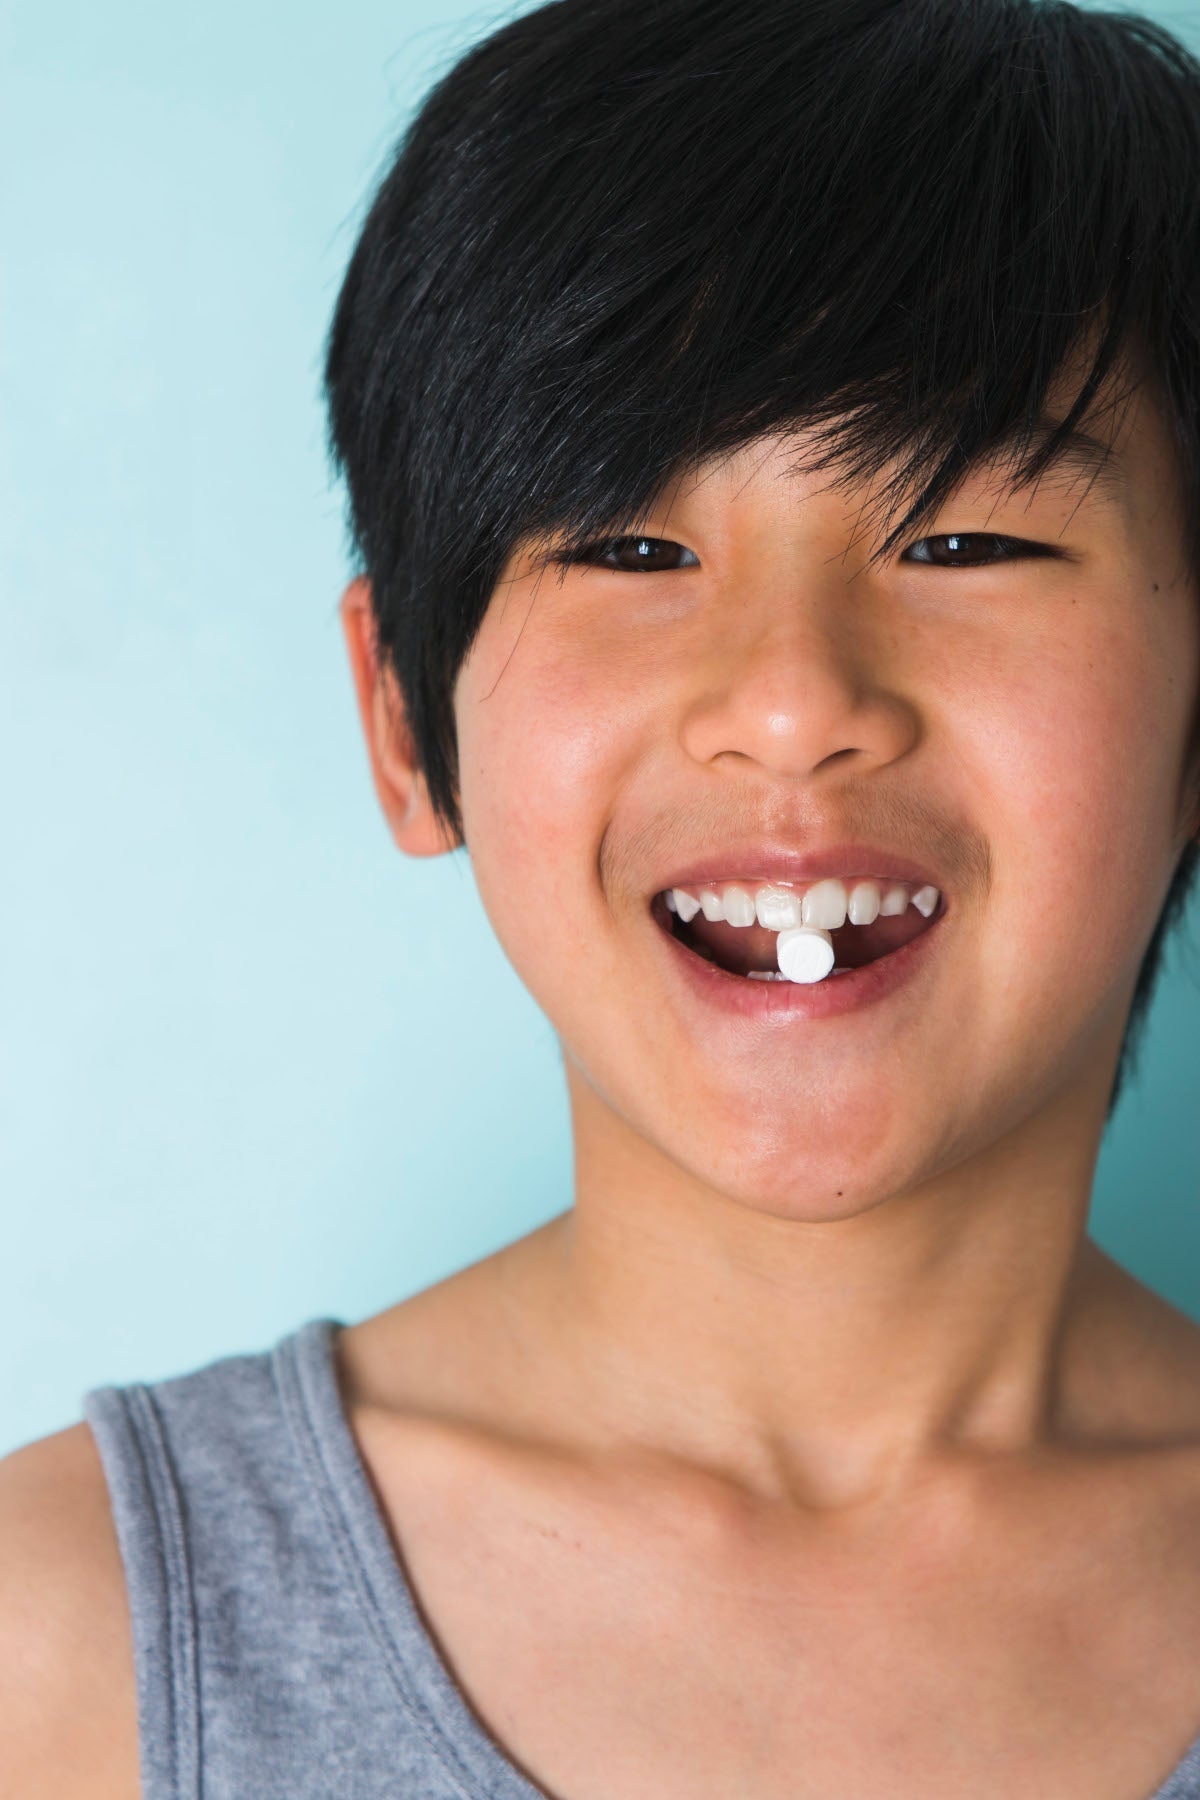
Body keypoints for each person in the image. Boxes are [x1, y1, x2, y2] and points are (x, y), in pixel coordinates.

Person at [6, 0, 1200, 1793]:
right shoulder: (63, 1640)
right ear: (408, 725)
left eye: (964, 541)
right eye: (631, 548)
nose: (794, 699)